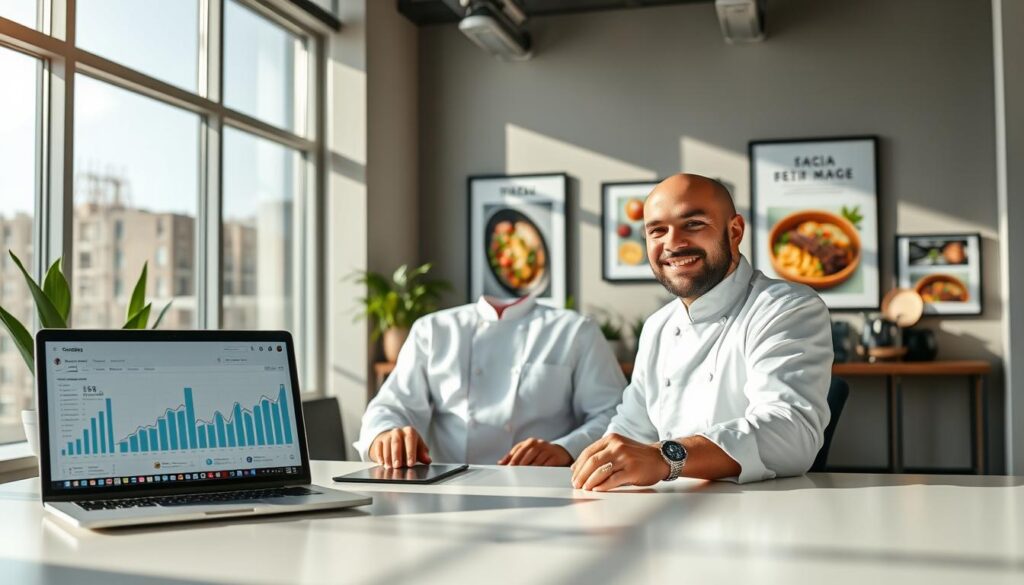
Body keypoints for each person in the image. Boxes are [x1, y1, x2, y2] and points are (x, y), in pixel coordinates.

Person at [571, 174, 832, 490]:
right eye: (657, 231)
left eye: (693, 224)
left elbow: (791, 435)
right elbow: (629, 430)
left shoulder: (784, 307)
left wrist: (665, 458)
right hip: (669, 512)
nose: (672, 243)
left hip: (760, 514)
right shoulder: (658, 327)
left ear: (734, 231)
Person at [355, 295, 626, 468]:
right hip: (447, 490)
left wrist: (566, 448)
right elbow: (390, 406)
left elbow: (612, 412)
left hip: (544, 488)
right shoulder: (433, 330)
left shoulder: (575, 330)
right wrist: (385, 433)